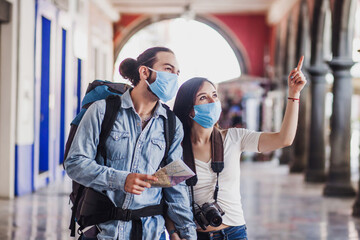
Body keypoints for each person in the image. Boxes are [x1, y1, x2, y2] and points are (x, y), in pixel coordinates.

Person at [65, 47, 196, 240]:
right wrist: (121, 180)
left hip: (151, 233)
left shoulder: (172, 124)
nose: (174, 78)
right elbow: (75, 163)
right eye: (168, 69)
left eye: (177, 73)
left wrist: (188, 233)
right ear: (145, 72)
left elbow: (175, 185)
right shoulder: (101, 111)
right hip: (104, 232)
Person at [168, 56, 307, 240]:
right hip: (194, 235)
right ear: (190, 110)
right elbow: (167, 198)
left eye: (214, 95)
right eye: (203, 97)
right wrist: (173, 233)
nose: (212, 101)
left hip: (235, 233)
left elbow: (284, 139)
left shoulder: (233, 138)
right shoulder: (177, 151)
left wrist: (294, 94)